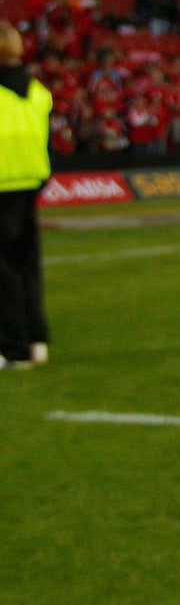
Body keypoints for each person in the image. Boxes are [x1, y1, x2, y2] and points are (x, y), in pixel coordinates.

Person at [0, 22, 52, 369]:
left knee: (4, 271)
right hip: (30, 180)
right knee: (27, 266)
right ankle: (36, 339)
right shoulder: (38, 92)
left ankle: (12, 346)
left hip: (3, 183)